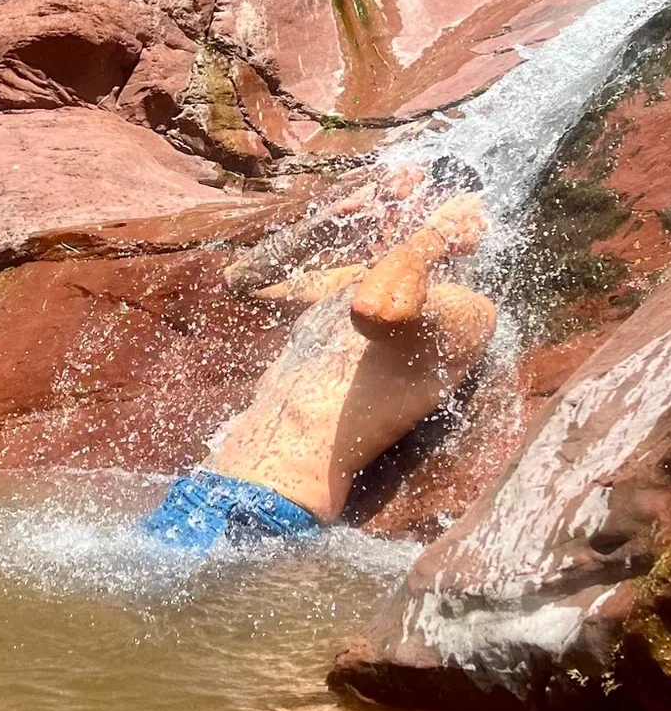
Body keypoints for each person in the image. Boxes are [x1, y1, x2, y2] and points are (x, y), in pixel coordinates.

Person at [140, 192, 495, 550]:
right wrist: (331, 217)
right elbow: (242, 281)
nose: (383, 218)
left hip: (271, 509)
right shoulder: (347, 284)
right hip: (198, 490)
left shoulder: (465, 309)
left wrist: (434, 236)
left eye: (402, 210)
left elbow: (381, 310)